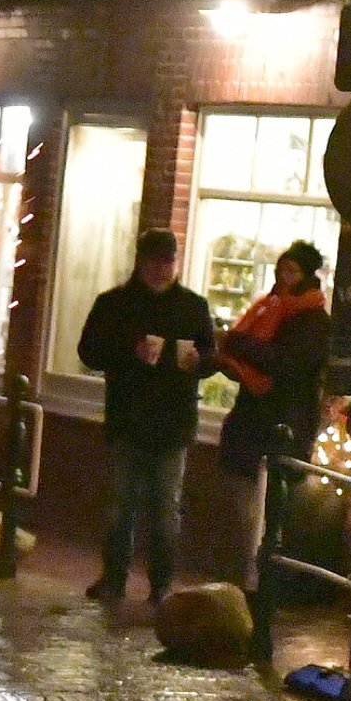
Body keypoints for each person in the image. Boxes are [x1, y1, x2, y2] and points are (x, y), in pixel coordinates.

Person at [78, 229, 216, 604]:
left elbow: (210, 356)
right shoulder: (114, 304)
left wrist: (199, 362)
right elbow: (89, 352)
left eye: (166, 262)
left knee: (164, 508)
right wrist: (129, 350)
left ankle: (161, 584)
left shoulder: (193, 306)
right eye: (153, 262)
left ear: (176, 263)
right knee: (120, 505)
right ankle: (114, 577)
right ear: (139, 262)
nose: (159, 269)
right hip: (127, 418)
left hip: (172, 422)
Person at [214, 240, 332, 592]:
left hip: (284, 428)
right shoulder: (267, 309)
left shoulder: (313, 322)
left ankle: (263, 588)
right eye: (280, 269)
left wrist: (235, 343)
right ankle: (248, 582)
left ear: (308, 276)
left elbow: (286, 365)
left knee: (271, 516)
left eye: (291, 271)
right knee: (244, 512)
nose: (282, 277)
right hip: (250, 424)